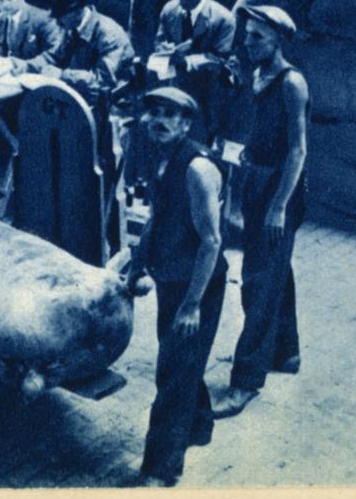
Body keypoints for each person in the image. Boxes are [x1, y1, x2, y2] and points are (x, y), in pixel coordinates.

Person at [125, 87, 228, 486]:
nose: (159, 121)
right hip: (171, 278)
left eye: (170, 114)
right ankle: (199, 426)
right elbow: (156, 216)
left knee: (172, 375)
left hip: (197, 287)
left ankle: (160, 469)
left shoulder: (197, 169)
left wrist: (192, 305)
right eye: (154, 112)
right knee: (181, 363)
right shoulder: (161, 158)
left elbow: (212, 241)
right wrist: (137, 265)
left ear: (186, 124)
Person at [215, 4, 309, 418]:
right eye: (247, 35)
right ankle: (286, 352)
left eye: (258, 37)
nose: (248, 43)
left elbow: (298, 151)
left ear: (278, 40)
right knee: (274, 270)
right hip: (255, 181)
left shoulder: (292, 83)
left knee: (257, 282)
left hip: (279, 188)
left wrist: (278, 208)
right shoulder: (255, 76)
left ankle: (245, 380)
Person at [16, 0, 134, 246]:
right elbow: (54, 56)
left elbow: (102, 81)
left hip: (114, 109)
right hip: (81, 104)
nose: (56, 22)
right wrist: (28, 65)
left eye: (61, 16)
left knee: (93, 174)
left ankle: (100, 233)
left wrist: (62, 75)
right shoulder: (71, 28)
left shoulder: (109, 34)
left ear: (78, 10)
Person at [155, 0, 238, 141]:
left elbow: (219, 59)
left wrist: (186, 61)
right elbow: (159, 40)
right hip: (175, 84)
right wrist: (164, 49)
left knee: (199, 139)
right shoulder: (170, 9)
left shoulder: (223, 18)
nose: (181, 1)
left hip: (207, 90)